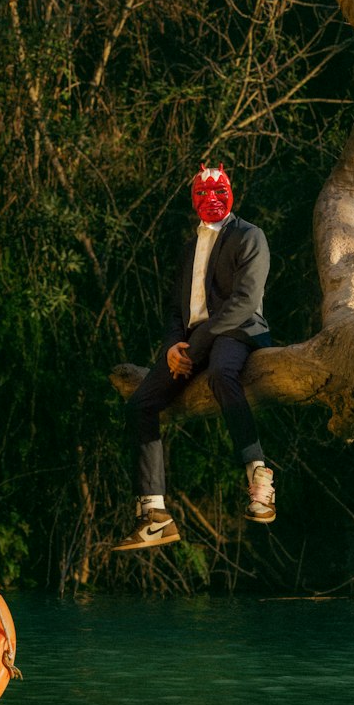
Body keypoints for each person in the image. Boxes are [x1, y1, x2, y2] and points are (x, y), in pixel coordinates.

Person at [115, 162, 275, 551]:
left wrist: (197, 343)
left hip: (234, 332)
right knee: (139, 405)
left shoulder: (249, 235)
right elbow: (177, 307)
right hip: (189, 342)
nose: (211, 199)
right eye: (202, 193)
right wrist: (173, 346)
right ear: (193, 200)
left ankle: (260, 476)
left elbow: (244, 302)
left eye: (218, 190)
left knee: (222, 374)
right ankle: (155, 514)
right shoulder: (190, 247)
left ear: (230, 191)